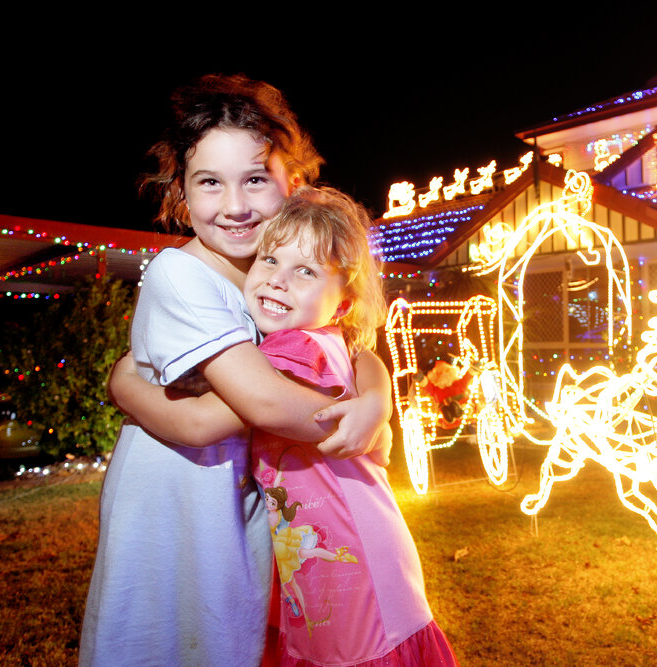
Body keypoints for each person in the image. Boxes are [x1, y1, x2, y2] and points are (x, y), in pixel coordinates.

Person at [80, 75, 392, 667]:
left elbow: (350, 346)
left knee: (232, 643)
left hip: (241, 503)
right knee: (167, 642)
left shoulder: (279, 274)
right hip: (174, 512)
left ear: (293, 184)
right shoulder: (182, 274)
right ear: (182, 193)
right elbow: (242, 411)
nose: (235, 206)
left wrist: (376, 400)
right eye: (210, 183)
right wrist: (121, 382)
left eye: (255, 179)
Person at [118, 187, 459, 665]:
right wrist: (379, 399)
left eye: (305, 271)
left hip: (352, 573)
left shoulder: (289, 351)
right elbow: (366, 357)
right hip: (356, 559)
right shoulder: (325, 341)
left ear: (341, 306)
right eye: (270, 259)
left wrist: (124, 385)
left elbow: (196, 423)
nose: (279, 280)